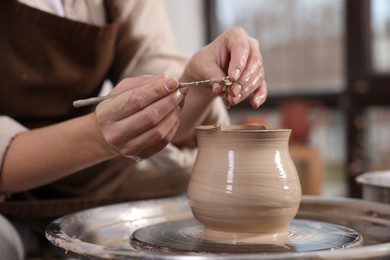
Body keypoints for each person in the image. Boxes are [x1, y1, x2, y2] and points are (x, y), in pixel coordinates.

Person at [0, 0, 267, 257]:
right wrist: (97, 135)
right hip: (13, 189)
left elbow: (155, 79)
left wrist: (194, 85)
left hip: (87, 178)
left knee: (204, 210)